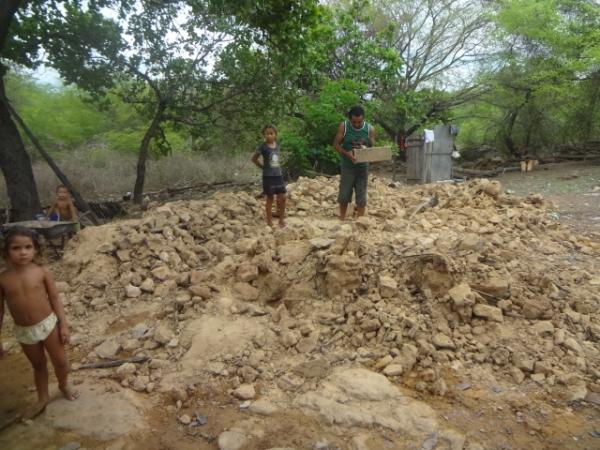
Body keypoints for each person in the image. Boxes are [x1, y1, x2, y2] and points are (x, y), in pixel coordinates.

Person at [0, 227, 78, 418]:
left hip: (49, 324)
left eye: (28, 247)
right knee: (38, 365)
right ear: (6, 251)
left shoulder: (42, 272)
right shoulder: (3, 279)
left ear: (36, 249)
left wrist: (64, 325)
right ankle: (42, 398)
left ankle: (62, 385)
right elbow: (0, 310)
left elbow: (55, 299)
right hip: (25, 331)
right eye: (16, 248)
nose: (23, 252)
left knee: (60, 362)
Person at [333, 105, 376, 219]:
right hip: (348, 165)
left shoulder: (370, 129)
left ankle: (360, 219)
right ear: (349, 119)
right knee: (345, 192)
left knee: (361, 192)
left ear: (364, 119)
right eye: (354, 122)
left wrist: (367, 149)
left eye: (359, 122)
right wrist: (347, 154)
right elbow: (336, 145)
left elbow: (372, 145)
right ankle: (342, 217)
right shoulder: (344, 126)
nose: (356, 124)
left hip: (363, 166)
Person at [251, 124, 287, 227]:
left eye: (271, 133)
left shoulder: (277, 145)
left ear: (275, 134)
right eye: (267, 134)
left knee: (283, 197)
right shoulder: (263, 147)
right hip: (268, 177)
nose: (269, 136)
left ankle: (281, 220)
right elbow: (253, 159)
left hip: (278, 175)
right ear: (264, 135)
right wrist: (263, 167)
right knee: (270, 198)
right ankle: (269, 221)